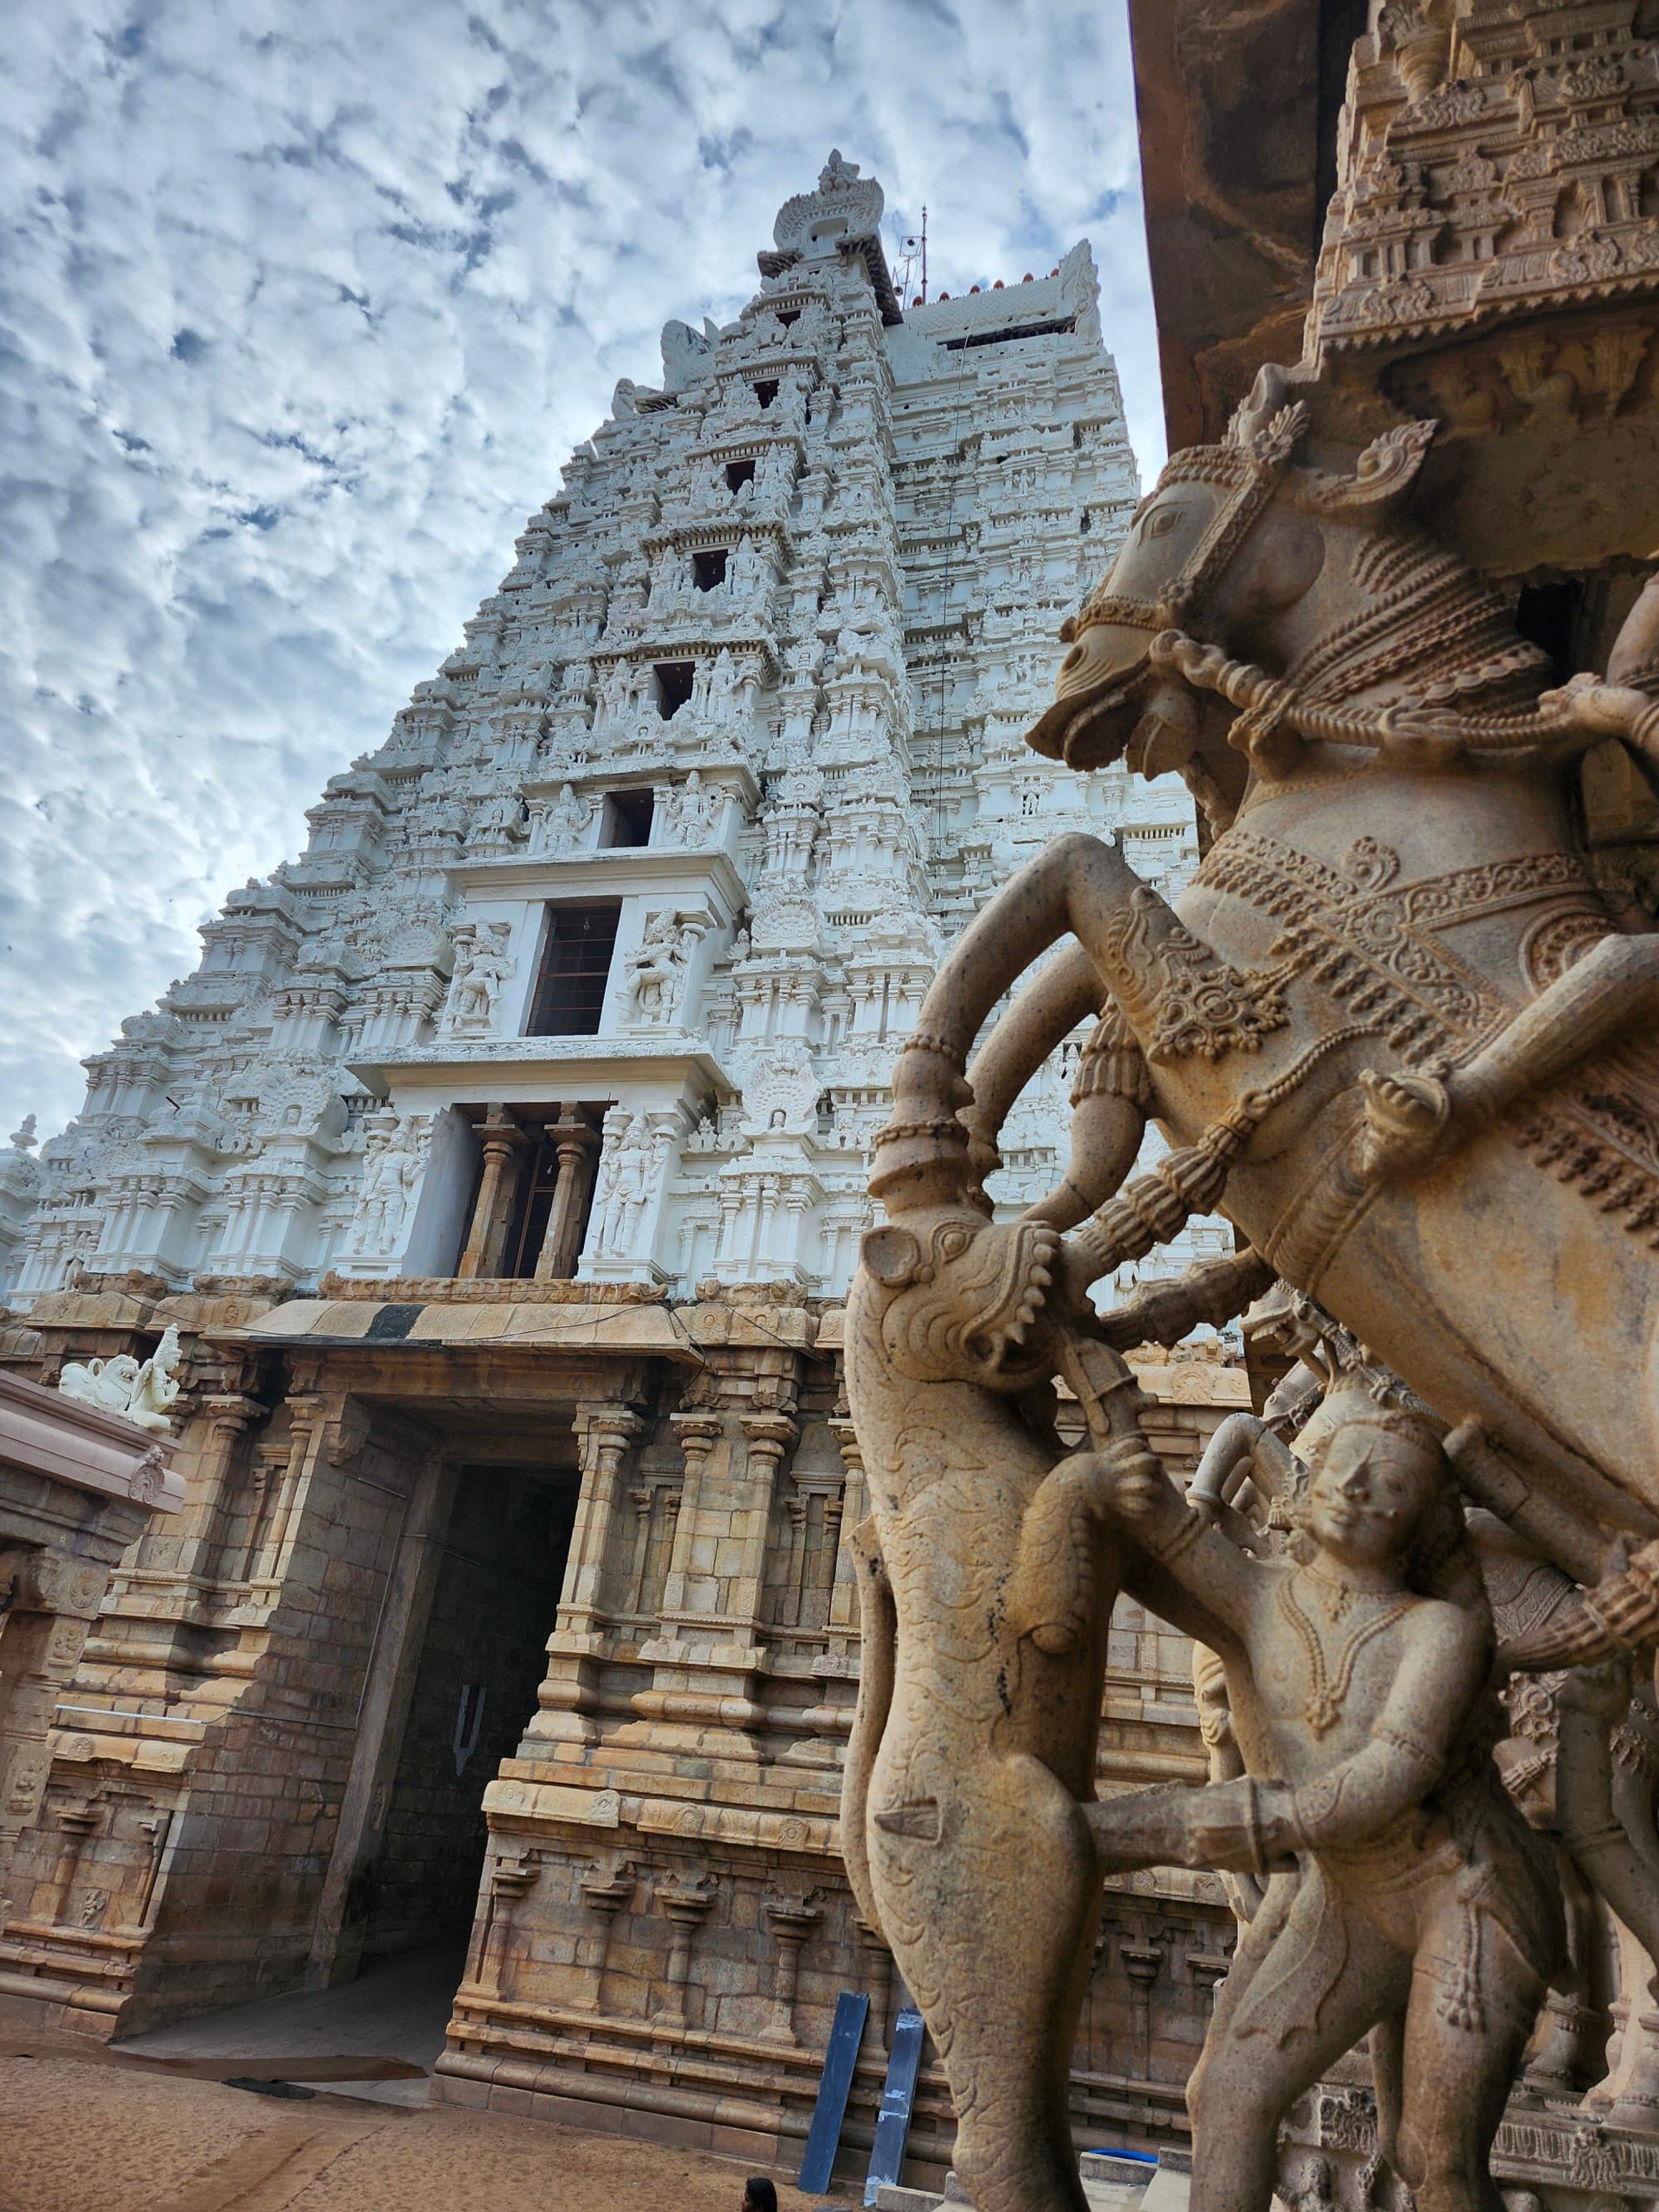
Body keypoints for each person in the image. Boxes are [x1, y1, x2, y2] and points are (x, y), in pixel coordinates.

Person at [1088, 1382, 1563, 2212]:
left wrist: (1260, 1819)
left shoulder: (1436, 1632)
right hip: (1350, 1894)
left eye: (1391, 1485)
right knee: (1231, 2094)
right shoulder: (1263, 1597)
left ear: (1422, 1524)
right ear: (1304, 1487)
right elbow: (1162, 1535)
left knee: (1432, 2156)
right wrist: (1107, 1435)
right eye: (1344, 1468)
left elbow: (1393, 1768)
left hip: (1467, 1890)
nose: (1355, 1489)